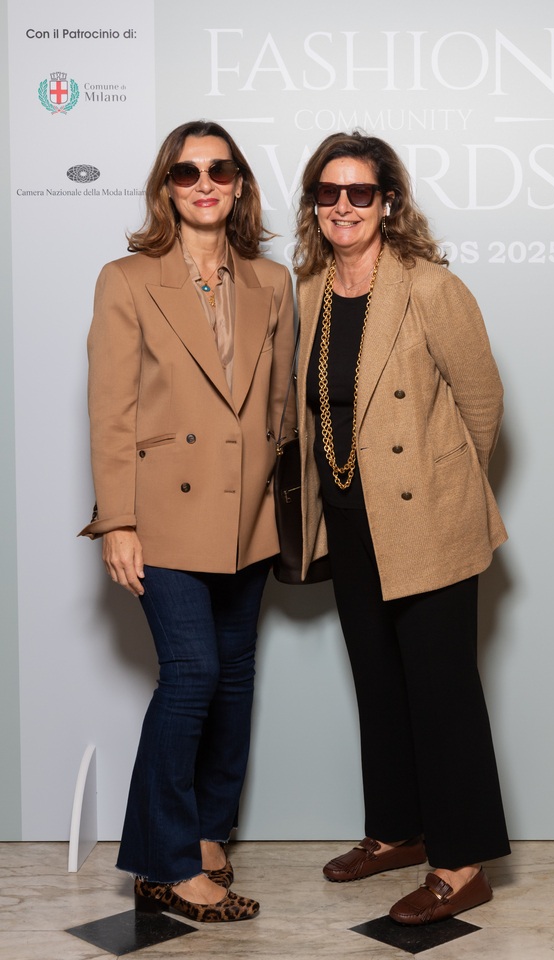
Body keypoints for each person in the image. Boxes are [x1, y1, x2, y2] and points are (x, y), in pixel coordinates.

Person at [79, 120, 295, 923]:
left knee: (233, 680)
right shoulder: (126, 279)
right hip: (163, 515)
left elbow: (281, 406)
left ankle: (207, 833)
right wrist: (117, 521)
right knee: (193, 675)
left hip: (248, 514)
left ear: (240, 184)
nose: (204, 184)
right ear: (165, 188)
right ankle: (165, 862)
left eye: (219, 170)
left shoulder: (273, 282)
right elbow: (110, 411)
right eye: (186, 172)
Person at [293, 131, 510, 925]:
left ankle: (461, 865)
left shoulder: (430, 286)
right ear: (314, 204)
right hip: (349, 518)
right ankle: (396, 832)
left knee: (441, 689)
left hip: (428, 520)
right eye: (329, 192)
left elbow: (482, 401)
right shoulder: (310, 288)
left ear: (388, 202)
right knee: (379, 682)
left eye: (360, 192)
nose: (343, 206)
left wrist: (442, 484)